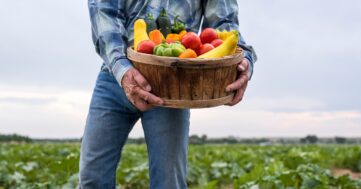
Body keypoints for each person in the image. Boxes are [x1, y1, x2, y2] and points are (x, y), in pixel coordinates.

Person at [79, 0, 257, 188]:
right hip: (114, 75)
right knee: (93, 178)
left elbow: (224, 24)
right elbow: (103, 11)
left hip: (173, 83)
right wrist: (122, 69)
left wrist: (242, 58)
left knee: (168, 182)